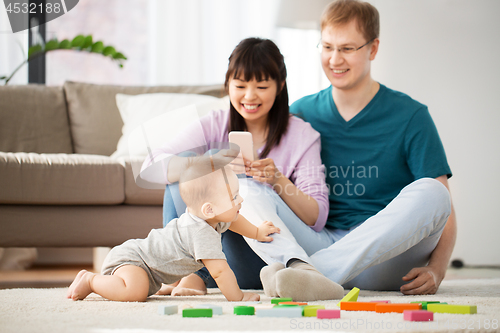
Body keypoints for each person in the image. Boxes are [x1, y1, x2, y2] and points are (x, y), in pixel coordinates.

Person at [140, 37, 344, 301]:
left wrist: (276, 180)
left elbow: (317, 218)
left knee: (231, 182)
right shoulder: (215, 123)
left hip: (266, 257)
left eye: (261, 86)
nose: (249, 96)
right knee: (190, 166)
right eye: (239, 85)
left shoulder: (301, 135)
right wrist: (208, 164)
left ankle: (203, 275)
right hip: (219, 258)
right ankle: (189, 272)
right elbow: (151, 165)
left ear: (280, 86)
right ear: (228, 85)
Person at [278, 0, 455, 295]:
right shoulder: (299, 112)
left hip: (382, 260)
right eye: (327, 46)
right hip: (317, 240)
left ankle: (316, 272)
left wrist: (437, 269)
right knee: (253, 188)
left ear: (373, 49)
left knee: (435, 192)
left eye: (347, 48)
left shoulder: (411, 115)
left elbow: (444, 211)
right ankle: (316, 272)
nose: (334, 59)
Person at [66, 156, 280, 302]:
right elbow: (220, 271)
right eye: (234, 197)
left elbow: (234, 220)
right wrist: (238, 297)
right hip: (133, 260)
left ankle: (160, 284)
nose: (240, 199)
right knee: (136, 291)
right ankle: (91, 280)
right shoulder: (201, 232)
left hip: (149, 269)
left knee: (146, 287)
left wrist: (257, 232)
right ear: (209, 208)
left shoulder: (213, 216)